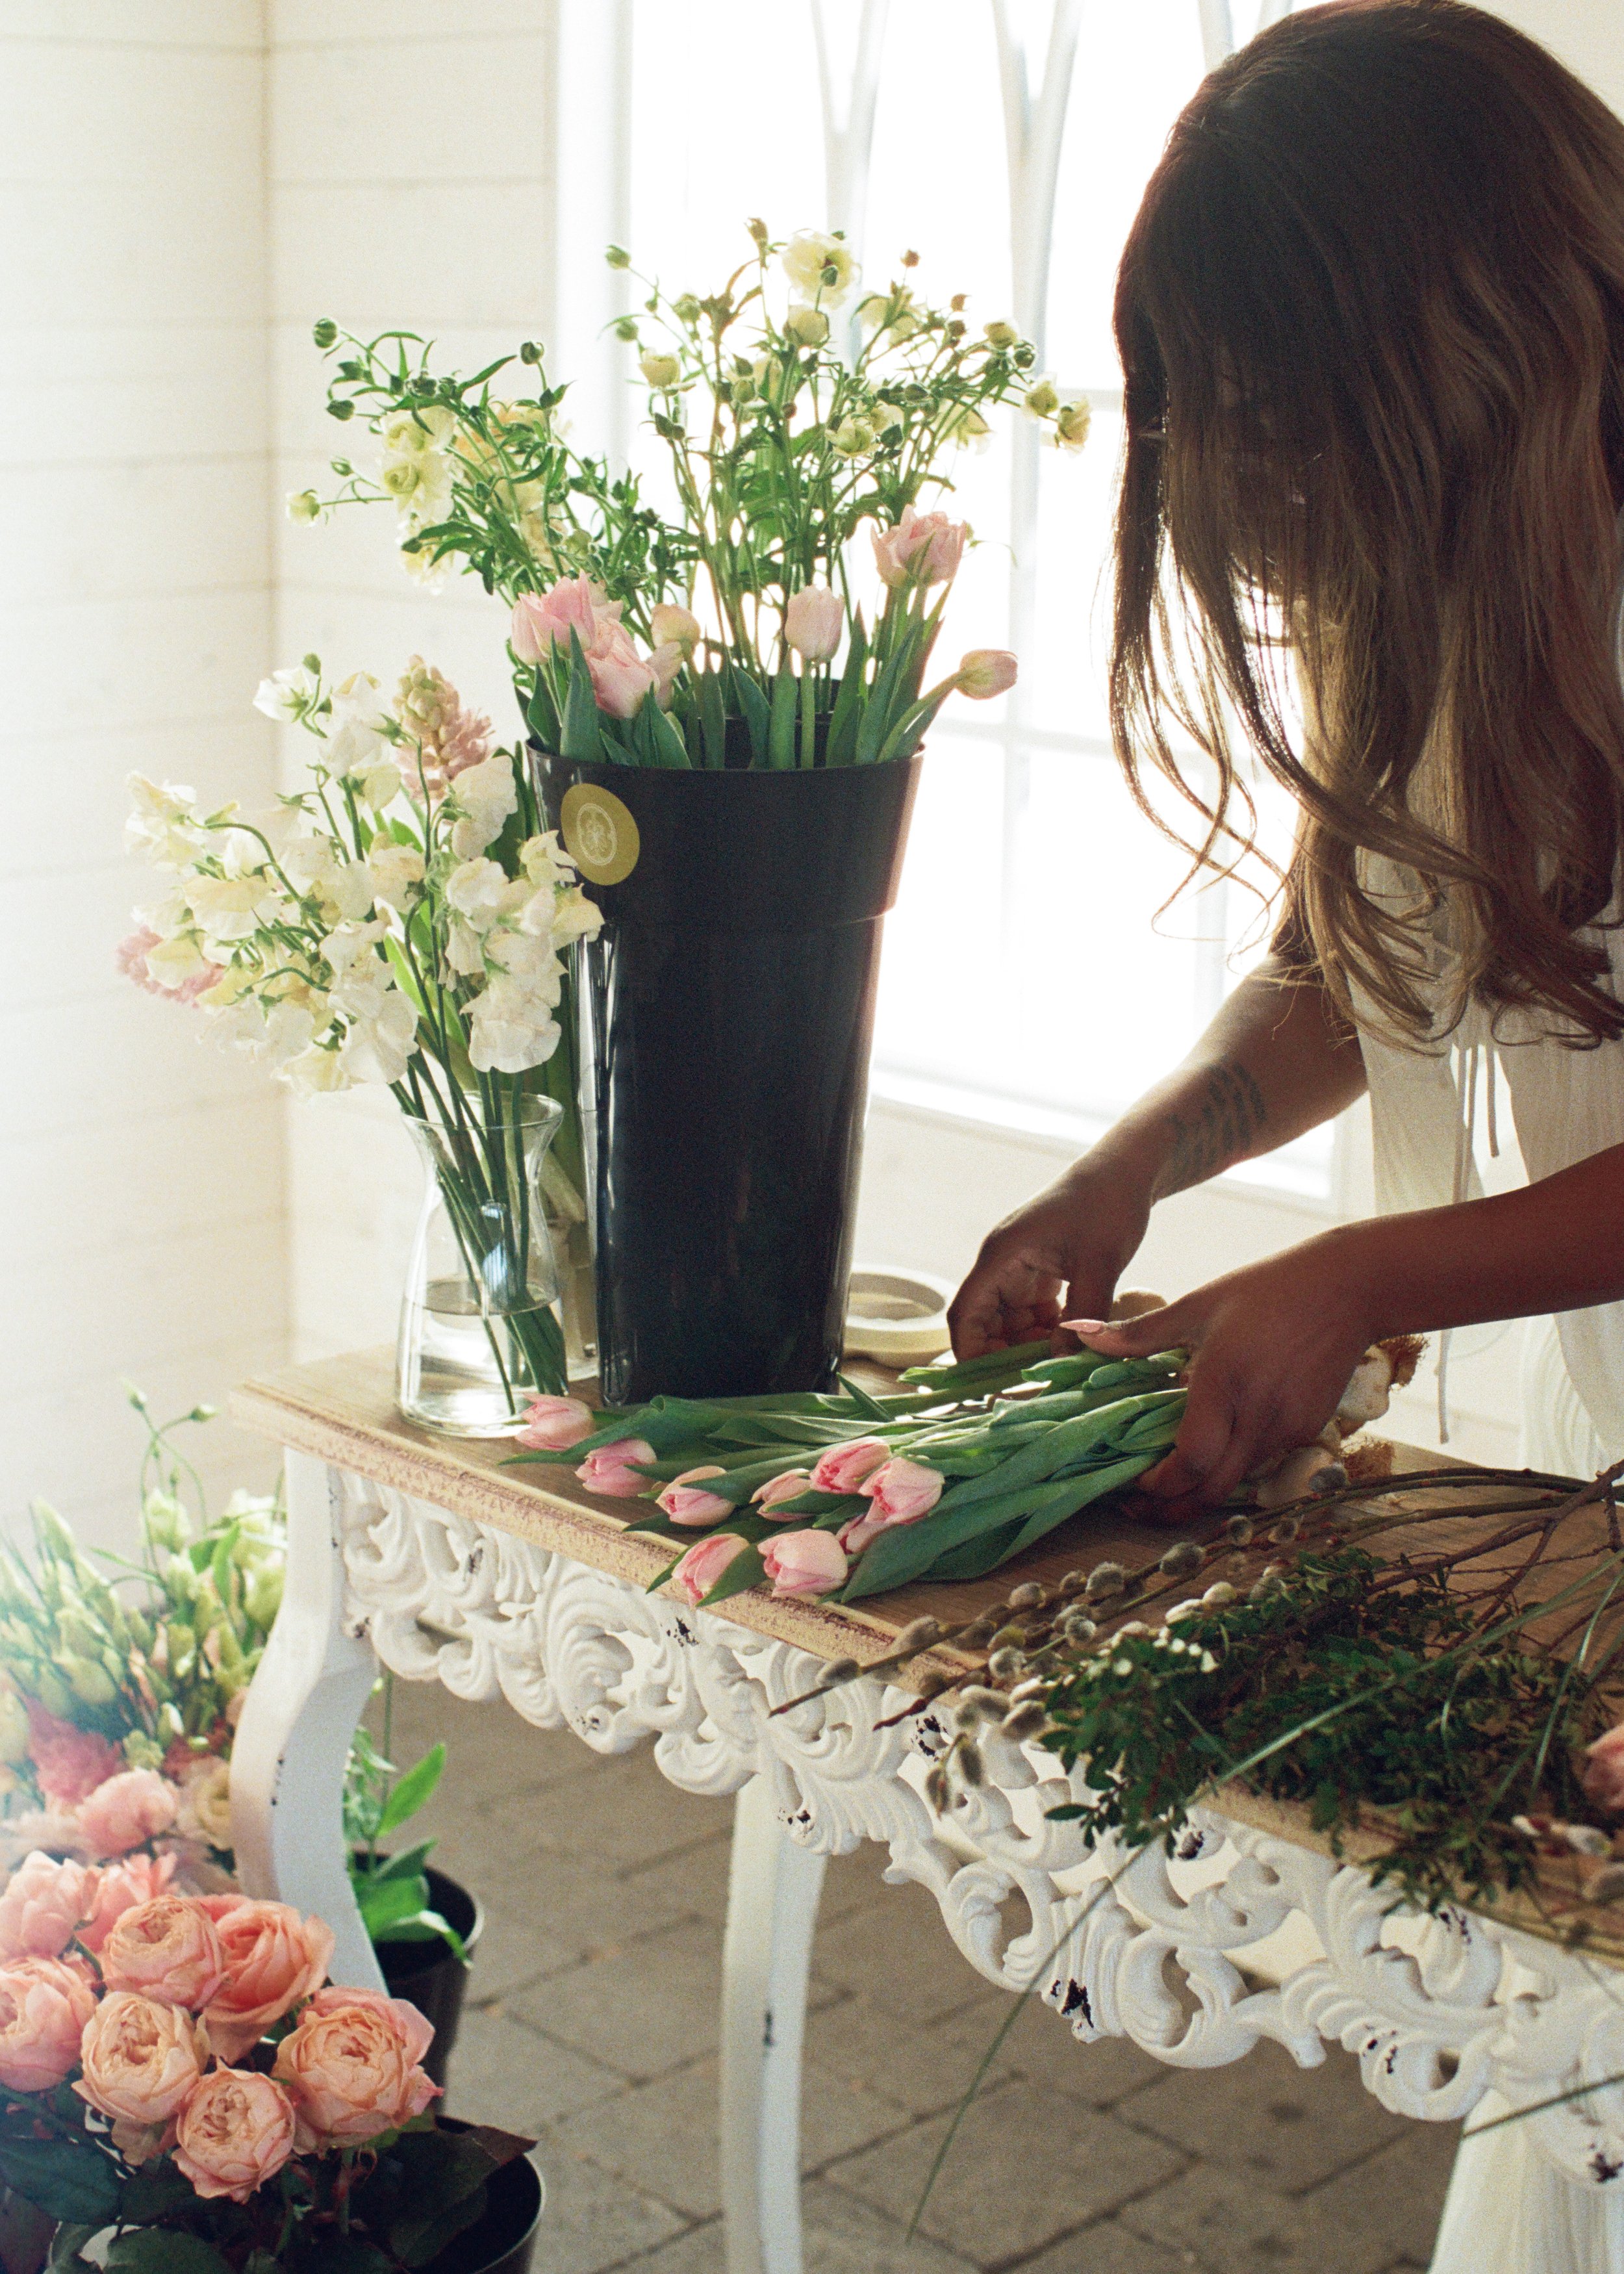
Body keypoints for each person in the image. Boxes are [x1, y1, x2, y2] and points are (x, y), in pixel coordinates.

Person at [948, 0, 1624, 1521]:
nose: (1258, 498)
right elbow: (1376, 946)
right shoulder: (1469, 565)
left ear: (1472, 350)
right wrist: (1118, 1173)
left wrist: (1358, 1274)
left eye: (1279, 435)